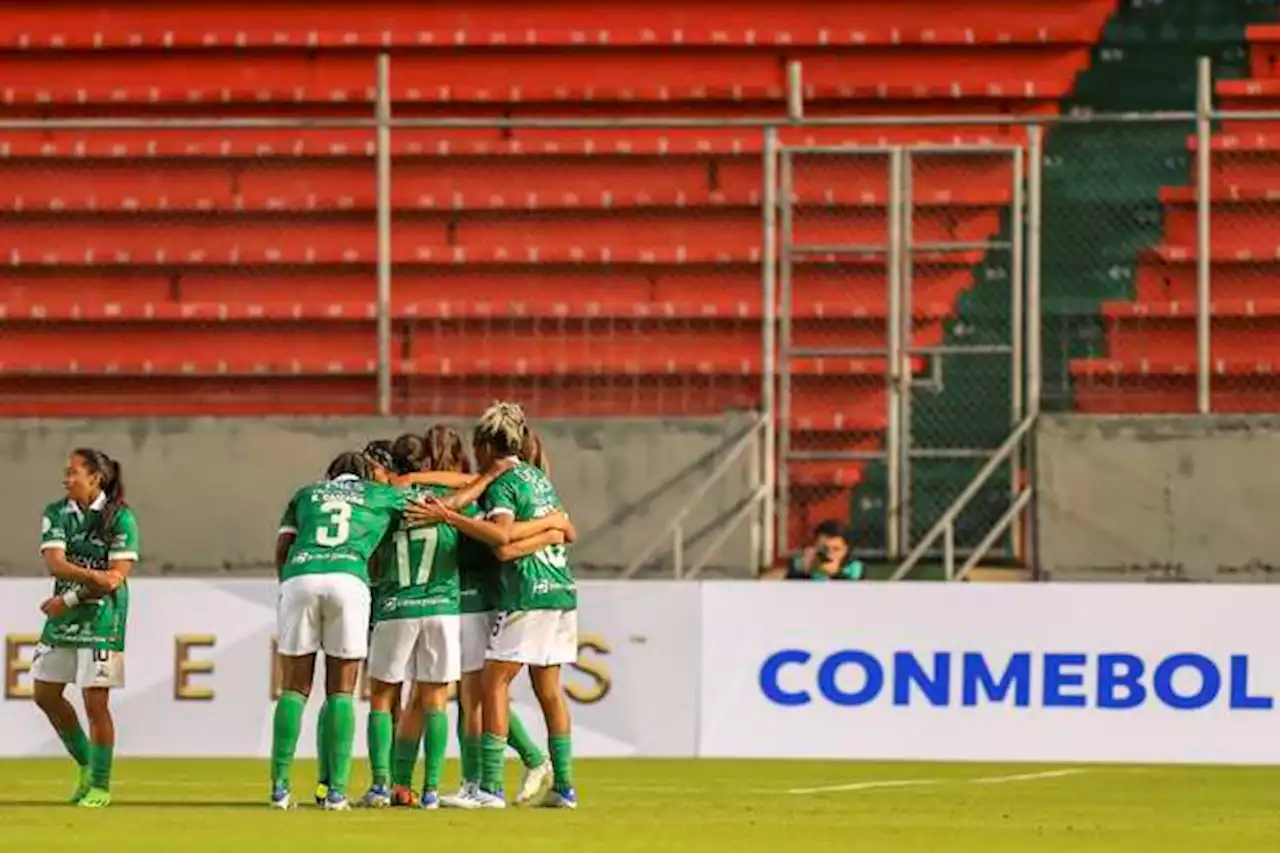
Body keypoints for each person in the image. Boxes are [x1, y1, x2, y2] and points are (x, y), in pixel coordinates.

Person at [419, 402, 579, 809]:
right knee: (549, 691)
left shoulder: (502, 485)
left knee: (491, 683)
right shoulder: (539, 480)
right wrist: (547, 529)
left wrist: (451, 519)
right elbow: (561, 528)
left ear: (487, 445)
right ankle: (564, 786)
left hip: (526, 592)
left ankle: (489, 787)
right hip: (561, 590)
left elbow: (501, 536)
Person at [362, 429, 513, 810]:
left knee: (383, 697)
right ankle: (430, 790)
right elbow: (467, 492)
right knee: (436, 701)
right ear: (427, 465)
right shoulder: (448, 503)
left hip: (398, 604)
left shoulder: (384, 501)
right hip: (443, 608)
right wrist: (489, 477)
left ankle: (383, 786)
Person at [270, 451, 411, 811]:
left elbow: (283, 547)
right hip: (349, 579)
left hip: (301, 575)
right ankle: (336, 793)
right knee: (341, 691)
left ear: (330, 475)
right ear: (364, 476)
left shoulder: (306, 494)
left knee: (294, 688)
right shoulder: (377, 494)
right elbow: (430, 504)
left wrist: (289, 585)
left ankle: (280, 789)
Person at [33, 448, 138, 809]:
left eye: (73, 472)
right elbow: (56, 565)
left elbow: (116, 579)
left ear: (95, 478)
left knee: (96, 703)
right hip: (63, 619)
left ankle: (100, 785)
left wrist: (70, 599)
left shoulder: (120, 517)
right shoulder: (56, 512)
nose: (66, 478)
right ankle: (85, 765)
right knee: (45, 694)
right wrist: (93, 576)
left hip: (103, 621)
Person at [772, 520, 864, 581]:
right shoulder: (801, 563)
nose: (829, 554)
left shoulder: (854, 568)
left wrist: (836, 574)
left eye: (836, 549)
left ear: (846, 550)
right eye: (824, 549)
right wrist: (802, 572)